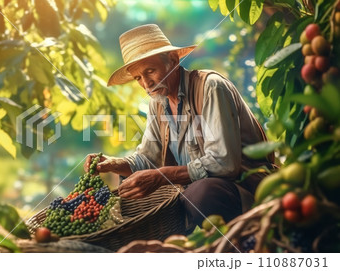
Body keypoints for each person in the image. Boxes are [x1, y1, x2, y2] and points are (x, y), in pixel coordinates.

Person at [84, 24, 273, 228]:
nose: (146, 83)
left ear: (173, 61)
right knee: (137, 197)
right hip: (195, 197)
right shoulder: (158, 102)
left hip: (245, 190)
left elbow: (224, 164)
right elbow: (149, 158)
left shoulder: (210, 87)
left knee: (200, 193)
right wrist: (114, 164)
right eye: (138, 77)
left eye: (150, 71)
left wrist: (162, 176)